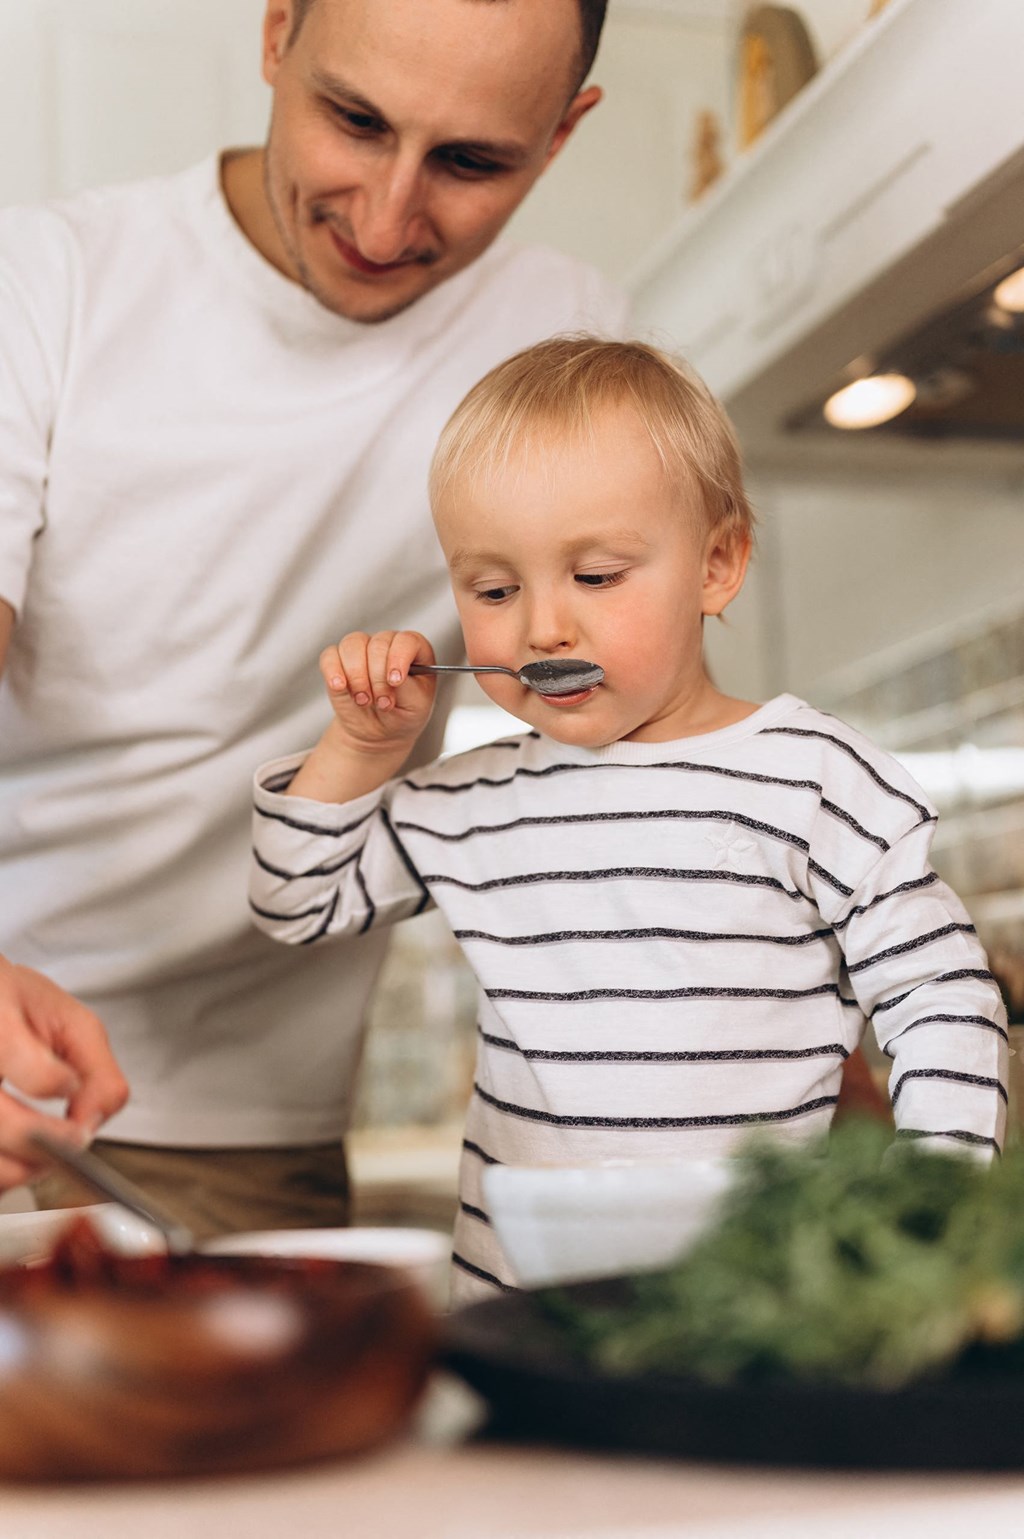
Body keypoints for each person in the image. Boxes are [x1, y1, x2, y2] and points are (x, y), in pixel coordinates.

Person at [0, 0, 628, 1228]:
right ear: (277, 33)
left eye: (470, 162)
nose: (387, 220)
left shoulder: (569, 346)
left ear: (561, 135)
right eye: (355, 121)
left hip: (258, 1138)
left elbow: (625, 727)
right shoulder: (47, 283)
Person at [248, 336, 1008, 1301]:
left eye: (596, 575)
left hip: (752, 1308)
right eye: (493, 589)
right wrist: (361, 749)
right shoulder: (469, 800)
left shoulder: (814, 780)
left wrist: (933, 1213)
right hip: (520, 1315)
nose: (541, 628)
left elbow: (942, 998)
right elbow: (294, 901)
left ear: (718, 563)